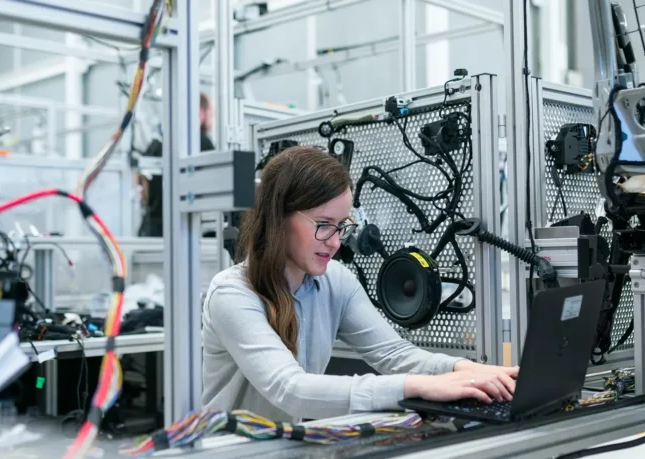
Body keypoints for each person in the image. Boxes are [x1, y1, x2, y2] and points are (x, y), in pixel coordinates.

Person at [201, 146, 518, 422]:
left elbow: (395, 354)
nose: (336, 242)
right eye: (324, 225)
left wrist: (468, 370)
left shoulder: (335, 281)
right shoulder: (232, 294)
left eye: (342, 226)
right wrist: (417, 386)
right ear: (278, 218)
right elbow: (290, 390)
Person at [137, 92, 215, 237]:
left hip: (151, 227)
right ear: (200, 113)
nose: (212, 118)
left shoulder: (157, 144)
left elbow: (141, 183)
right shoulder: (202, 142)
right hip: (184, 228)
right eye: (211, 113)